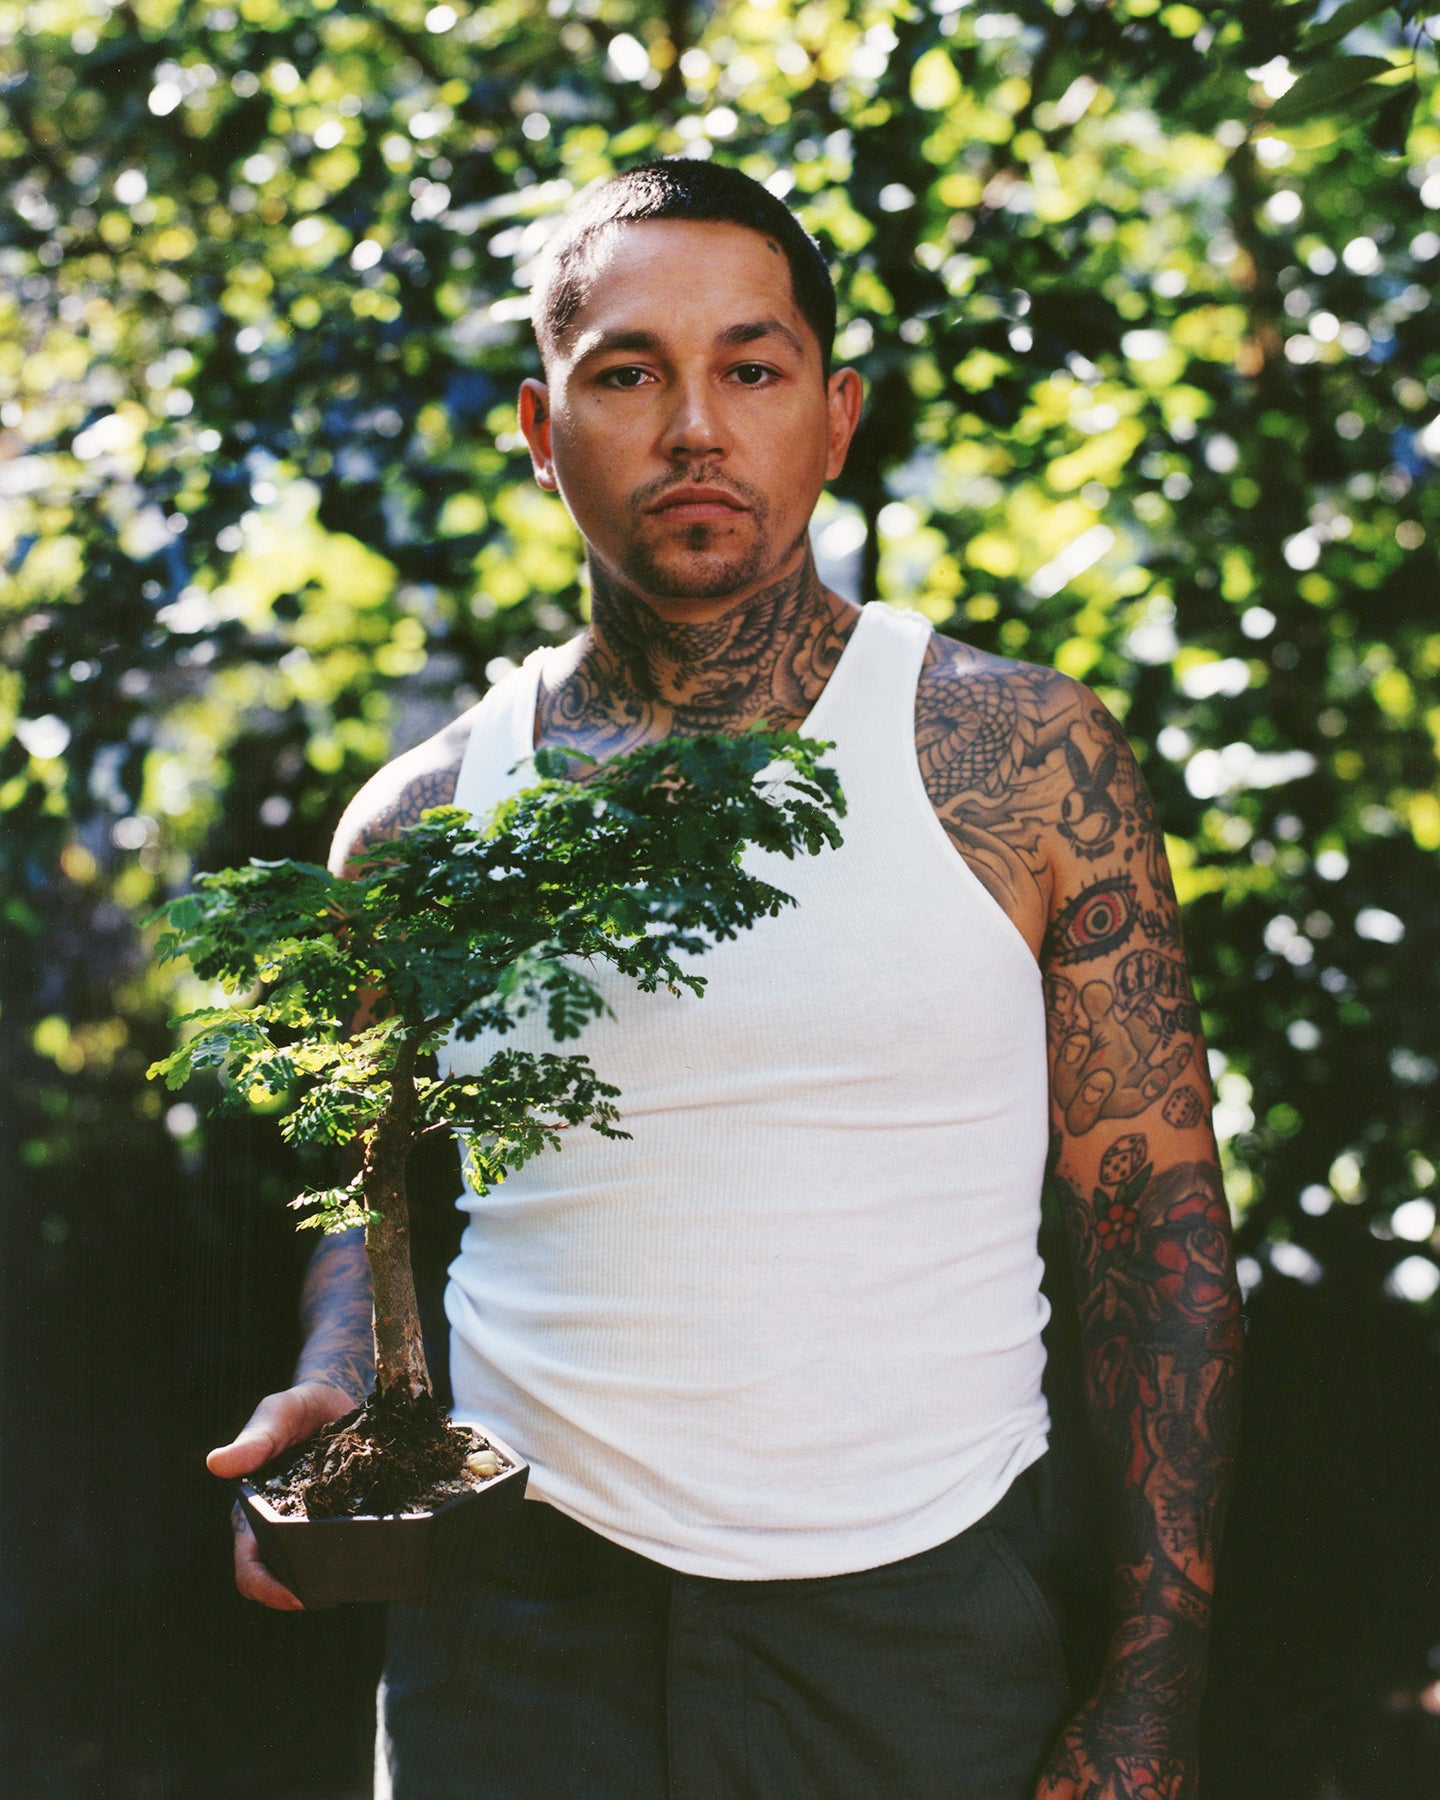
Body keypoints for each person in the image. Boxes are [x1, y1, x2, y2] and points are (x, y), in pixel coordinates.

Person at [207, 160, 1242, 1800]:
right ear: (544, 435)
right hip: (515, 1635)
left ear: (833, 418)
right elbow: (369, 1192)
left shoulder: (1022, 760)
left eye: (748, 370)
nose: (695, 426)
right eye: (628, 372)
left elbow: (1159, 1236)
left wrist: (1147, 1699)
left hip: (923, 1623)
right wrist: (342, 1389)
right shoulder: (415, 825)